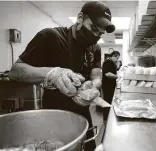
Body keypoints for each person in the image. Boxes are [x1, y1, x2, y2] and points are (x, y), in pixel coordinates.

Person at [8, 1, 115, 151]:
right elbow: (16, 70)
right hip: (53, 116)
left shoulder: (95, 48)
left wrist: (92, 87)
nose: (95, 36)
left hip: (83, 114)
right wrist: (52, 74)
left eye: (100, 33)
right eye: (93, 28)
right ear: (79, 18)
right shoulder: (50, 37)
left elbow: (96, 75)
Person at [102, 51, 120, 121]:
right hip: (107, 87)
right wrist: (117, 76)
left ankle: (108, 117)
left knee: (109, 102)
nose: (117, 60)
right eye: (117, 58)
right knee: (107, 102)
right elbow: (107, 74)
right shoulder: (107, 62)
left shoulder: (111, 62)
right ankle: (106, 119)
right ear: (113, 56)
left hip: (110, 86)